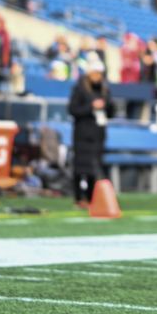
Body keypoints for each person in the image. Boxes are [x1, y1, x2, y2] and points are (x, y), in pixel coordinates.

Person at [68, 56, 113, 207]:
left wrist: (106, 105)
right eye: (95, 73)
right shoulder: (80, 89)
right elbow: (73, 110)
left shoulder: (104, 89)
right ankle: (78, 198)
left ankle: (91, 198)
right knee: (80, 168)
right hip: (82, 134)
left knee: (94, 168)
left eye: (100, 74)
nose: (97, 77)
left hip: (98, 135)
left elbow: (111, 112)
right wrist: (91, 106)